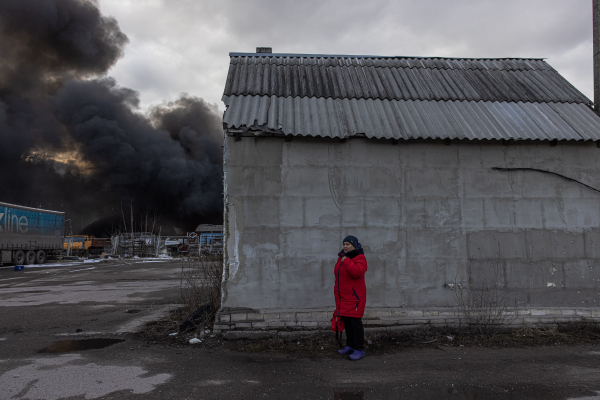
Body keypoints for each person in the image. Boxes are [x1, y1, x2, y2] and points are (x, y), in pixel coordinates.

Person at [333, 235, 368, 360]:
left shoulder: (360, 257)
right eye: (344, 244)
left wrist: (346, 260)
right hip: (344, 297)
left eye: (348, 244)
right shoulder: (342, 257)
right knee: (347, 321)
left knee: (355, 323)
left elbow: (357, 272)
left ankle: (359, 349)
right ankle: (350, 345)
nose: (345, 246)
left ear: (354, 245)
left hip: (355, 298)